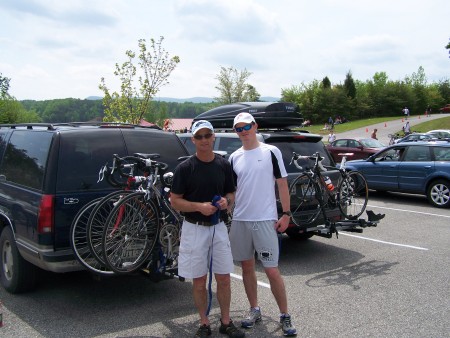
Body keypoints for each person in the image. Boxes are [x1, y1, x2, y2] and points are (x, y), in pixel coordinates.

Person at [170, 120, 245, 338]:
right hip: (194, 228)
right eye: (199, 136)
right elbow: (175, 201)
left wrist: (226, 202)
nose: (204, 140)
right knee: (200, 279)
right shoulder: (185, 168)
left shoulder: (223, 165)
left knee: (223, 277)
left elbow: (231, 193)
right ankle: (204, 323)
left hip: (218, 227)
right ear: (193, 140)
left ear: (213, 137)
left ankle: (226, 321)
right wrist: (198, 207)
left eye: (207, 135)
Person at [228, 113, 297, 337]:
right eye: (239, 128)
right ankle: (254, 309)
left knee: (271, 270)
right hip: (240, 220)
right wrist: (226, 208)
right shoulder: (234, 157)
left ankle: (285, 315)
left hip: (265, 219)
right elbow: (233, 191)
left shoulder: (270, 152)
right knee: (247, 267)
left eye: (247, 126)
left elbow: (283, 184)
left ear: (255, 126)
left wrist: (286, 214)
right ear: (235, 132)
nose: (244, 131)